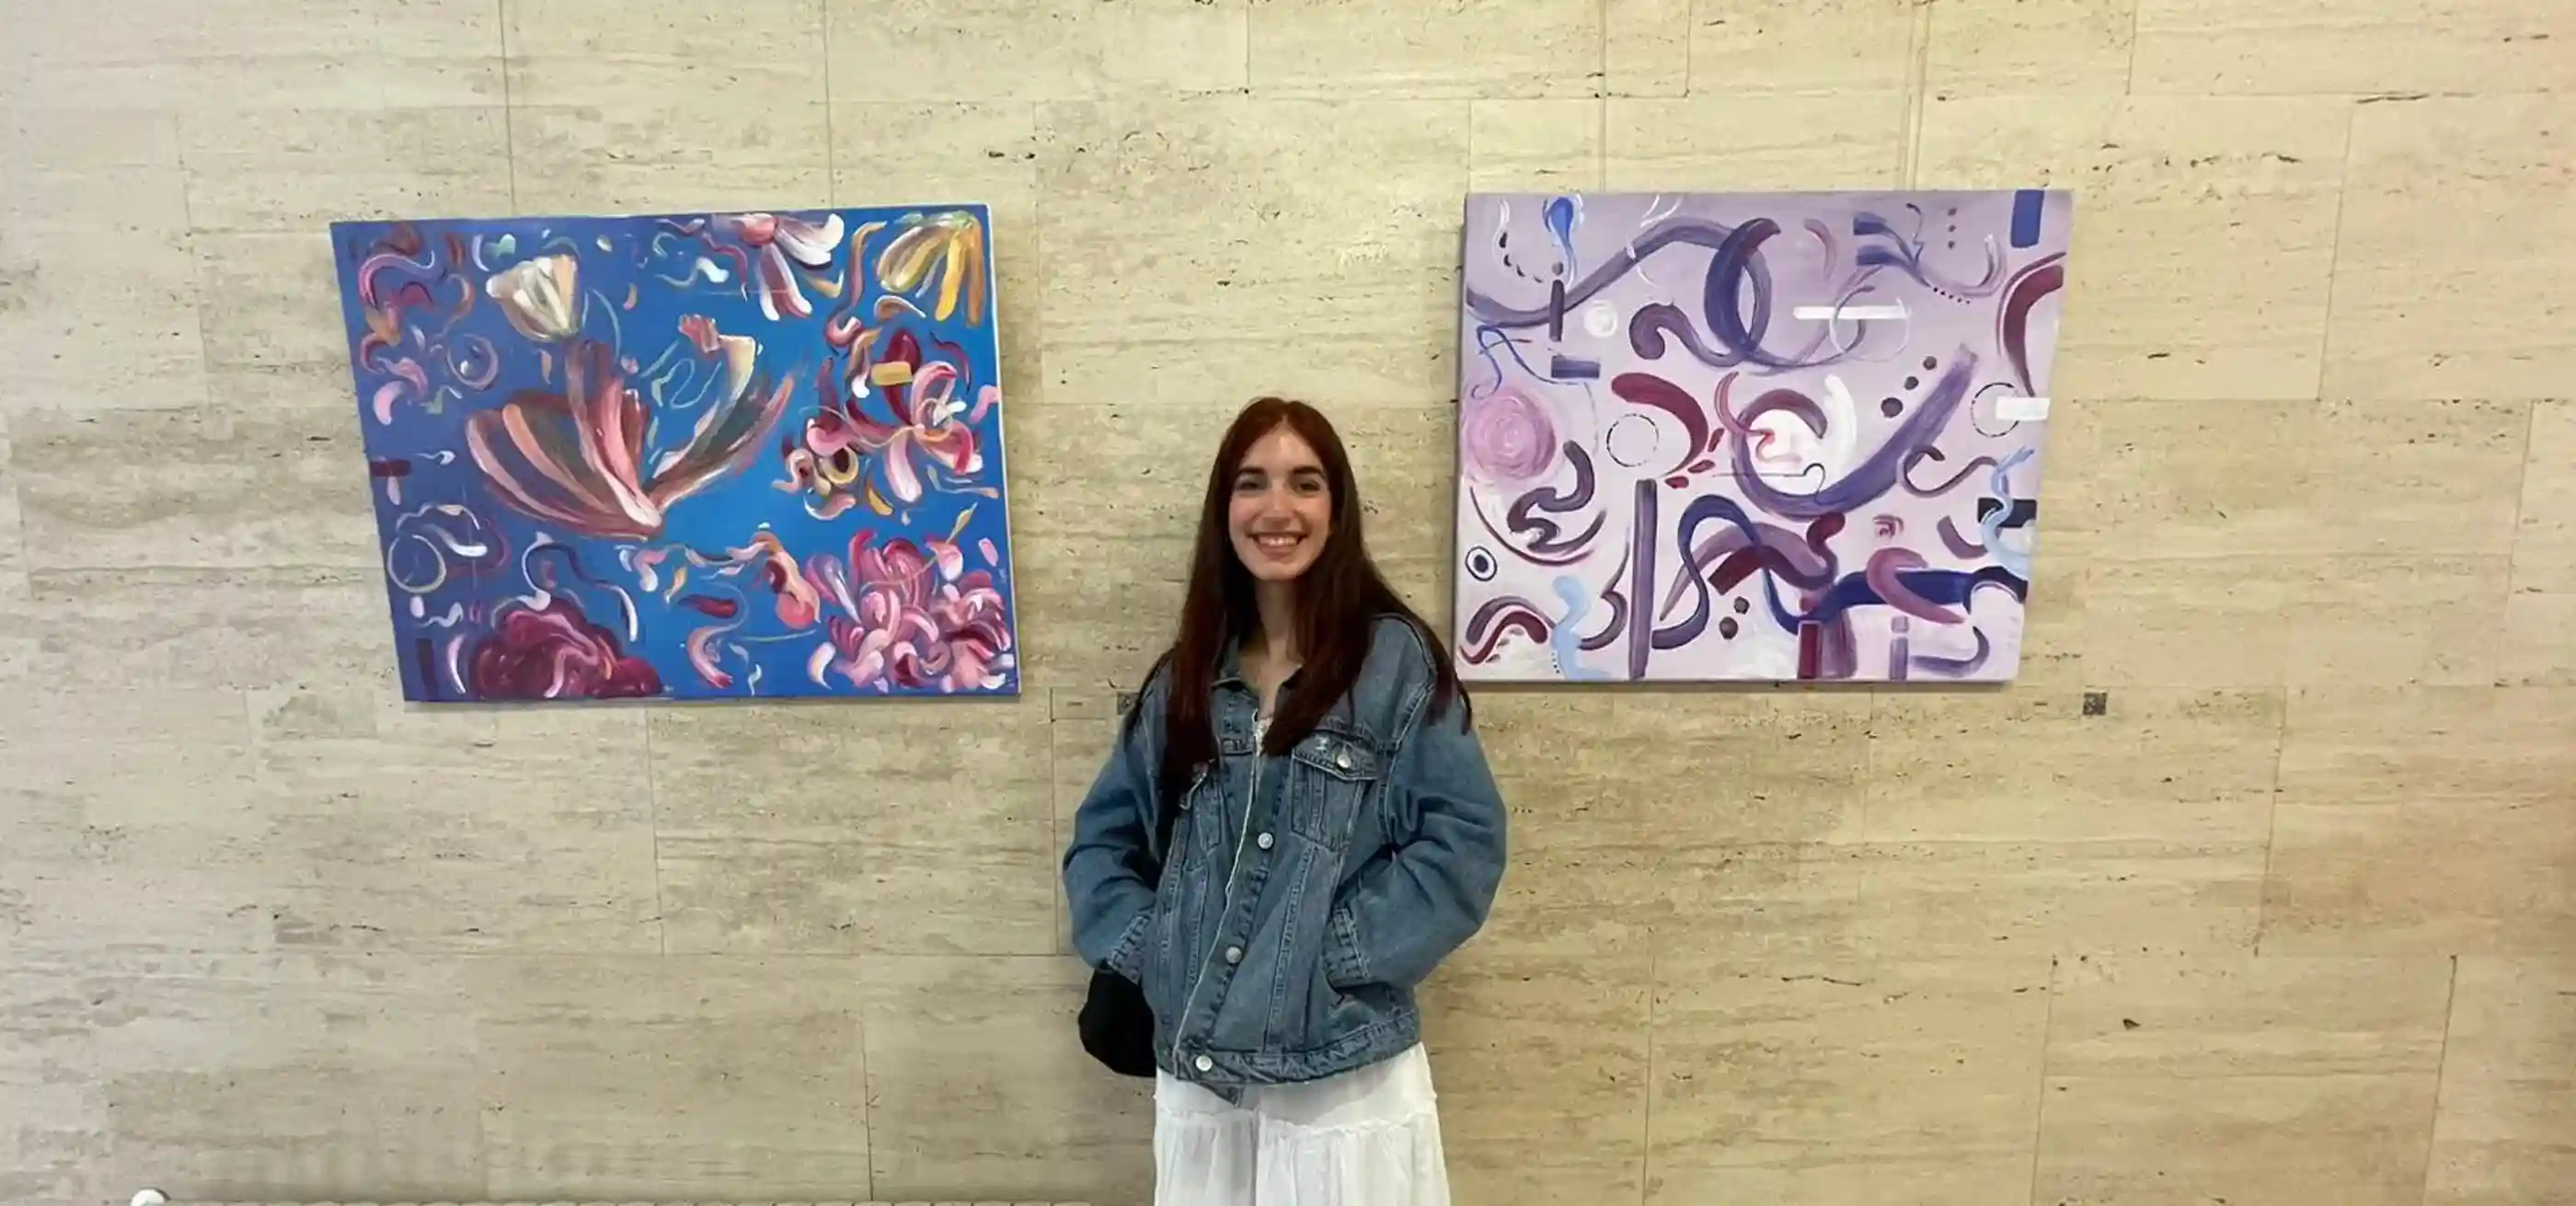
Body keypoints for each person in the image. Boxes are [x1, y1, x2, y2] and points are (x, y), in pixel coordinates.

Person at [1062, 396, 1511, 1205]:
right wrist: (1156, 950)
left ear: (1335, 507)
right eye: (1251, 483)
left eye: (1304, 483)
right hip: (1204, 1086)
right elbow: (1102, 842)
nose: (1278, 509)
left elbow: (1464, 844)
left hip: (1341, 1080)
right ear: (1223, 509)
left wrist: (1331, 958)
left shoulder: (1393, 666)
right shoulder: (1186, 679)